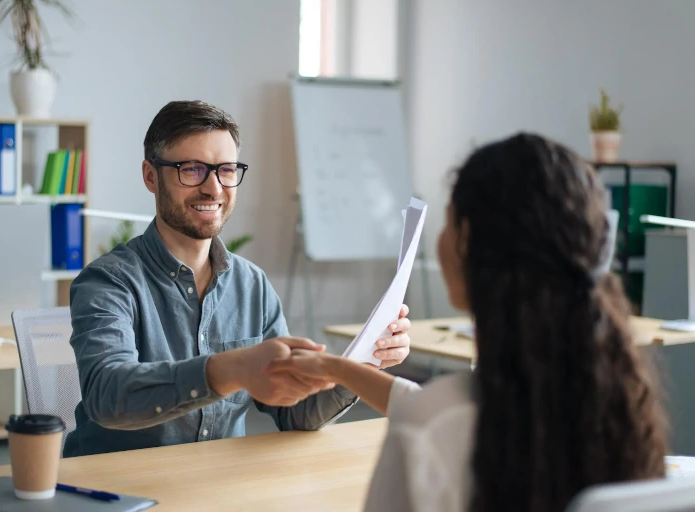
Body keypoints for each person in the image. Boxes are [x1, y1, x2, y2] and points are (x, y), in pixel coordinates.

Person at [265, 132, 668, 512]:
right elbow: (432, 405)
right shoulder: (621, 399)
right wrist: (339, 368)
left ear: (466, 240)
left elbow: (438, 415)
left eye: (448, 218)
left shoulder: (430, 431)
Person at [63, 100, 412, 457]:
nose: (214, 189)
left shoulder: (252, 285)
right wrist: (227, 370)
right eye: (192, 169)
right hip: (115, 492)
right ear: (151, 176)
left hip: (216, 487)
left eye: (226, 170)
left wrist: (363, 363)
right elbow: (107, 396)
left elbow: (295, 414)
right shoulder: (108, 282)